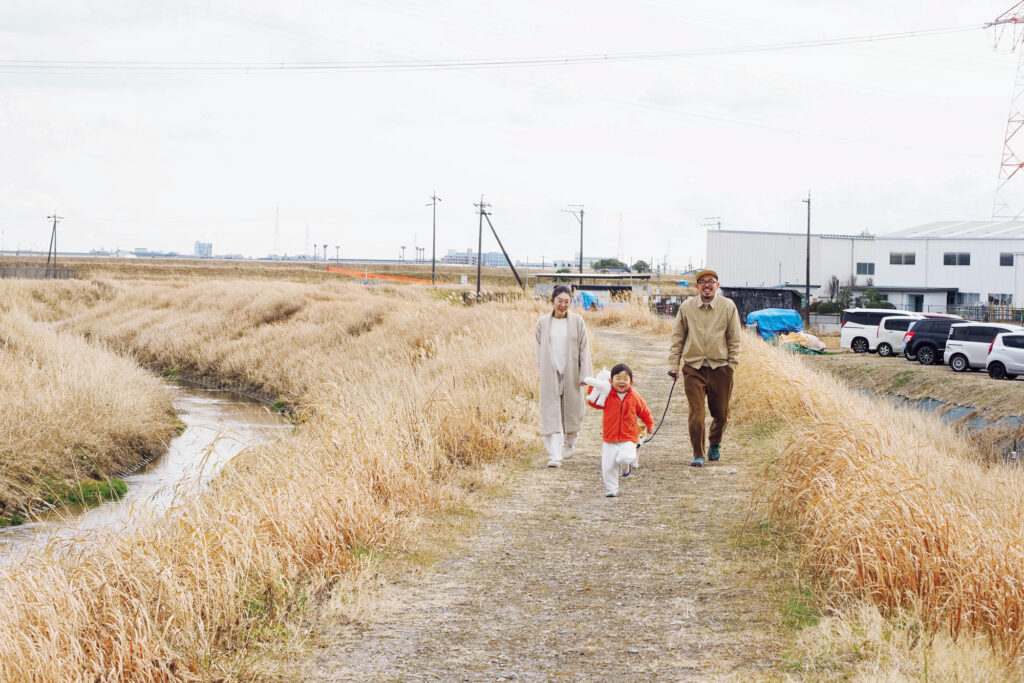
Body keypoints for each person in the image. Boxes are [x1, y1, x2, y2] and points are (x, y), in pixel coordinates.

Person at [667, 268, 741, 467]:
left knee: (721, 413)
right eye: (703, 282)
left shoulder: (728, 306)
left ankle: (715, 442)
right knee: (696, 414)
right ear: (697, 286)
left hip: (721, 368)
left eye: (711, 281)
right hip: (694, 368)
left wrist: (732, 364)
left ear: (717, 286)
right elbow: (678, 338)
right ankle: (698, 453)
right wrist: (674, 365)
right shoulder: (687, 307)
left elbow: (734, 337)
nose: (707, 285)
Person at [535, 284, 593, 468]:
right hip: (550, 371)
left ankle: (570, 441)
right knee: (551, 412)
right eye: (559, 301)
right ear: (552, 301)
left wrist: (585, 374)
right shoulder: (542, 323)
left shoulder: (577, 321)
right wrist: (542, 369)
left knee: (574, 409)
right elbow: (538, 350)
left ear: (570, 302)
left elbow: (584, 349)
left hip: (572, 372)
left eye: (566, 301)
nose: (562, 305)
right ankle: (554, 455)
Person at [587, 363, 653, 498]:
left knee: (626, 457)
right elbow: (592, 402)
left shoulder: (634, 396)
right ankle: (612, 488)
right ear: (610, 381)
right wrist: (593, 386)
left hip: (629, 436)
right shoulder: (607, 395)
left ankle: (625, 466)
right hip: (609, 437)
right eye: (618, 378)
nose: (621, 381)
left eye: (625, 379)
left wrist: (649, 424)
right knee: (608, 465)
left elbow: (644, 411)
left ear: (631, 382)